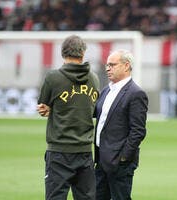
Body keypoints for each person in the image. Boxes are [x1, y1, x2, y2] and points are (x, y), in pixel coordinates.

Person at [37, 35, 99, 200]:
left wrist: (51, 110)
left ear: (63, 53)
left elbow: (42, 106)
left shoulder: (53, 77)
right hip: (85, 151)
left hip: (59, 150)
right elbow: (91, 110)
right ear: (83, 53)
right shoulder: (94, 79)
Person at [94, 49, 148, 200]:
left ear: (126, 66)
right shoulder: (106, 90)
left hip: (119, 163)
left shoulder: (136, 93)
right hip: (101, 160)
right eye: (107, 65)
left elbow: (138, 131)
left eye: (112, 65)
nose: (107, 68)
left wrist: (123, 158)